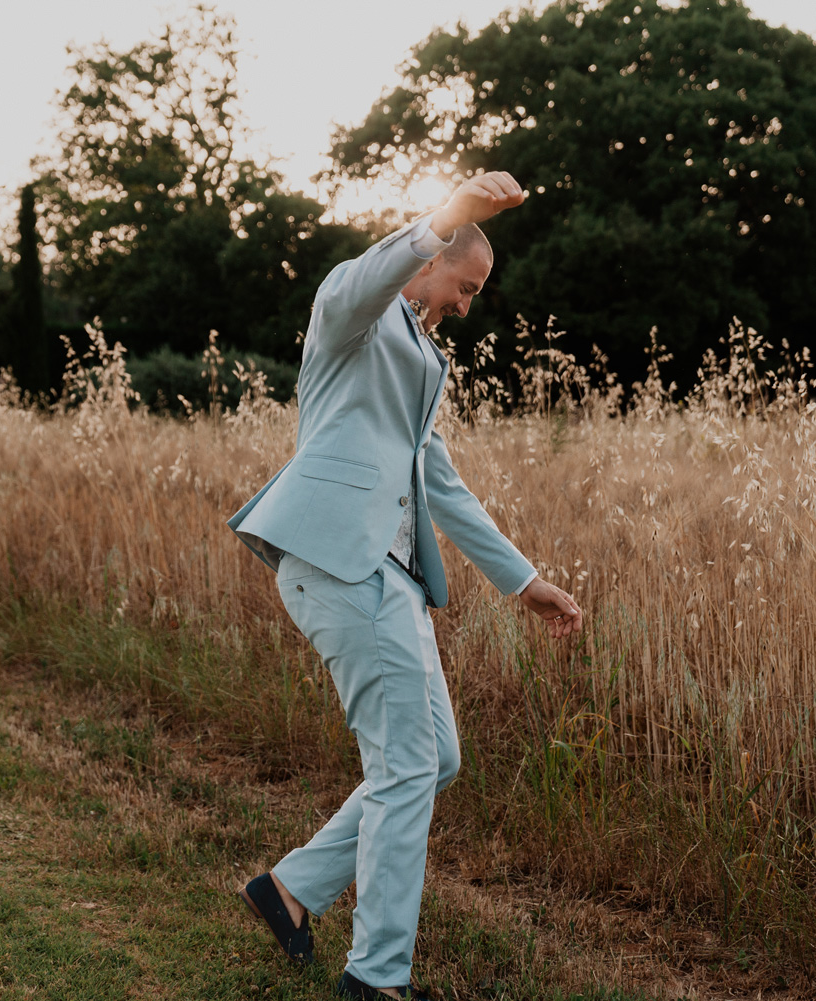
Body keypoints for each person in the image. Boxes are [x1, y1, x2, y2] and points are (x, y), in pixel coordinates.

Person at [226, 171, 583, 1001]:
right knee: (404, 766)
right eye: (465, 286)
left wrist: (524, 581)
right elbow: (368, 277)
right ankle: (376, 978)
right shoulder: (350, 314)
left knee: (435, 760)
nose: (466, 305)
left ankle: (288, 892)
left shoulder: (425, 358)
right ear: (428, 259)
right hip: (342, 564)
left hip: (397, 580)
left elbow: (439, 482)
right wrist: (446, 215)